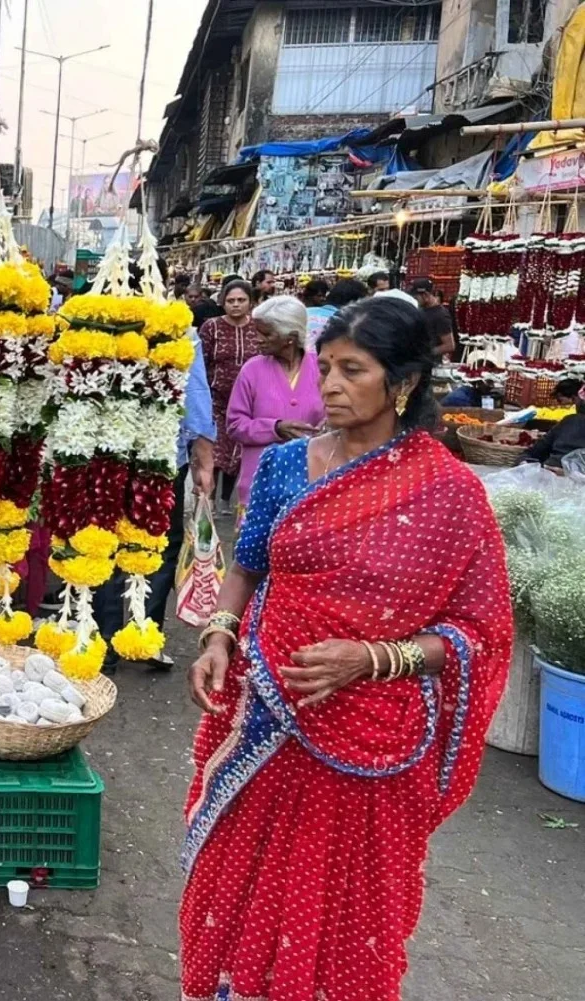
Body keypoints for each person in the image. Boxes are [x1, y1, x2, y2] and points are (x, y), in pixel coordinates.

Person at [180, 295, 513, 1001]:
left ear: (403, 382)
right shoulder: (284, 468)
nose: (328, 383)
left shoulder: (447, 493)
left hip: (369, 746)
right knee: (238, 888)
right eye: (325, 366)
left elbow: (477, 634)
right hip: (264, 717)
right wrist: (219, 633)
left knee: (338, 918)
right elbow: (248, 565)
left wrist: (372, 659)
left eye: (351, 369)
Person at [95, 334, 216, 672]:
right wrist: (203, 460)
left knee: (108, 543)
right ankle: (144, 634)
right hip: (158, 455)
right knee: (157, 544)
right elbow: (195, 396)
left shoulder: (97, 321)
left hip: (109, 454)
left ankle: (108, 641)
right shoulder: (181, 330)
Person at [225, 295, 325, 510]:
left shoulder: (321, 369)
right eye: (256, 332)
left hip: (309, 482)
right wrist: (275, 428)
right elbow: (235, 425)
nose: (258, 339)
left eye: (266, 333)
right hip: (259, 483)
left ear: (289, 336)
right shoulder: (252, 370)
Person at [198, 279, 259, 513]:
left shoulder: (258, 327)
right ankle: (209, 498)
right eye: (230, 301)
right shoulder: (211, 327)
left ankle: (226, 499)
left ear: (250, 303)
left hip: (248, 401)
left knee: (238, 449)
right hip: (216, 398)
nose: (235, 305)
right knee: (214, 446)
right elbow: (202, 362)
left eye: (241, 300)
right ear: (223, 303)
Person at [522, 378, 585, 468]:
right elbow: (533, 452)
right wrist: (524, 463)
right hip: (551, 473)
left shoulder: (569, 421)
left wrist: (568, 473)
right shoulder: (569, 421)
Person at [408, 277, 457, 359]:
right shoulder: (421, 309)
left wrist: (424, 353)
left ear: (426, 295)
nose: (415, 300)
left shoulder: (440, 315)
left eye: (416, 298)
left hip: (429, 366)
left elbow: (449, 345)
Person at [302, 277, 336, 348]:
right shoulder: (301, 311)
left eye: (324, 296)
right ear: (310, 296)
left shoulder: (328, 311)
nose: (322, 298)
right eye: (319, 296)